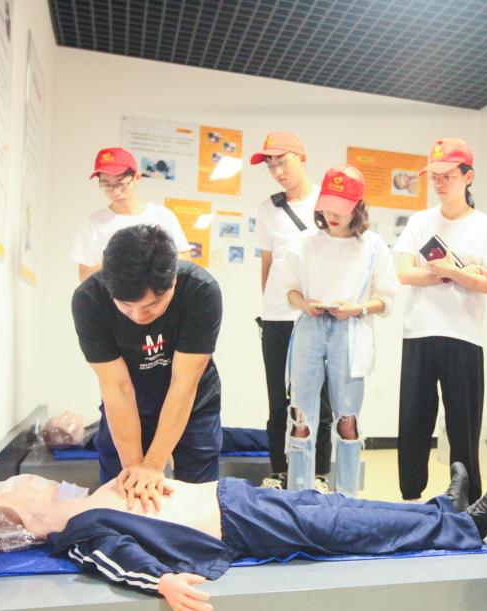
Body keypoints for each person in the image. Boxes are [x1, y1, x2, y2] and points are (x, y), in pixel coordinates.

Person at [0, 466, 487, 611]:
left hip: (234, 498)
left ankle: (442, 510)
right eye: (11, 489)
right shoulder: (76, 534)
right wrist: (162, 581)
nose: (20, 480)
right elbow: (117, 560)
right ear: (21, 518)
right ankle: (462, 529)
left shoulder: (85, 502)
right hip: (238, 524)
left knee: (338, 507)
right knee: (343, 524)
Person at [71, 225, 223, 511]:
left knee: (197, 503)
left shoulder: (201, 291)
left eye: (153, 305)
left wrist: (153, 464)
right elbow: (117, 387)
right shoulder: (90, 299)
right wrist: (136, 472)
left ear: (173, 280)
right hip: (126, 407)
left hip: (191, 406)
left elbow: (184, 383)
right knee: (122, 501)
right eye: (126, 306)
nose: (139, 316)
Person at [271, 164, 398, 495]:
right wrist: (304, 304)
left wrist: (357, 309)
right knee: (300, 416)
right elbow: (288, 289)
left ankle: (347, 495)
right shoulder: (305, 242)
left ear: (357, 207)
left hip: (351, 330)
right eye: (327, 207)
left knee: (347, 418)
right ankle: (298, 494)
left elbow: (387, 299)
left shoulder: (373, 246)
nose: (332, 215)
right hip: (310, 327)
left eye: (340, 208)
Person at [393, 138, 487, 503]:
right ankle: (411, 498)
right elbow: (405, 273)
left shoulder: (485, 226)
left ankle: (467, 502)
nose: (440, 184)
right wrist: (458, 272)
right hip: (420, 332)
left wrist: (450, 270)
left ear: (468, 177)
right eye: (435, 177)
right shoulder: (420, 221)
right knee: (414, 421)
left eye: (448, 176)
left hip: (464, 335)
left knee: (463, 425)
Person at [251, 132, 334, 491]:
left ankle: (318, 474)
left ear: (302, 158)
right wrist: (270, 305)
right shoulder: (267, 209)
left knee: (320, 399)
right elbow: (267, 264)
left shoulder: (326, 202)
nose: (277, 171)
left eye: (282, 161)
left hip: (315, 315)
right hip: (276, 316)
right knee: (278, 399)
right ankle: (278, 471)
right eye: (270, 165)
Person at [70, 147, 190, 281]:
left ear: (136, 178)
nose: (116, 192)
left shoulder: (162, 216)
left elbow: (187, 263)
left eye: (121, 184)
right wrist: (115, 261)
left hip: (157, 292)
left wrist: (152, 256)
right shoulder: (93, 223)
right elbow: (84, 277)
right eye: (107, 185)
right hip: (109, 294)